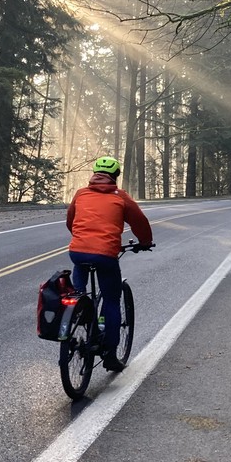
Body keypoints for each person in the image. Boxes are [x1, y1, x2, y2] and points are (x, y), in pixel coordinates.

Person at [66, 155, 153, 371]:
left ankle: (81, 308)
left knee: (80, 291)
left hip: (77, 252)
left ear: (94, 175)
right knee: (112, 301)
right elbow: (140, 222)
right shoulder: (121, 197)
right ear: (115, 177)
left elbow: (71, 222)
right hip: (105, 254)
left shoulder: (80, 194)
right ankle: (111, 356)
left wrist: (82, 240)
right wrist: (145, 242)